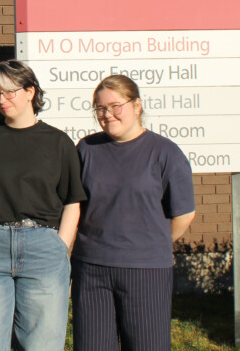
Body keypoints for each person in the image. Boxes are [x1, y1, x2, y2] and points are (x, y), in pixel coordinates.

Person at [0, 59, 85, 351]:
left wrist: (60, 246)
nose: (1, 100)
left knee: (41, 343)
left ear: (30, 92)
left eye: (9, 92)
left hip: (44, 248)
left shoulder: (58, 142)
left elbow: (72, 201)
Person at [71, 74, 196, 351]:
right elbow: (75, 205)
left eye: (116, 106)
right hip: (92, 269)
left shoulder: (165, 153)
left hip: (145, 271)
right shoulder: (87, 149)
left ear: (137, 105)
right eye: (100, 108)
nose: (107, 114)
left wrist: (150, 244)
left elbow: (184, 214)